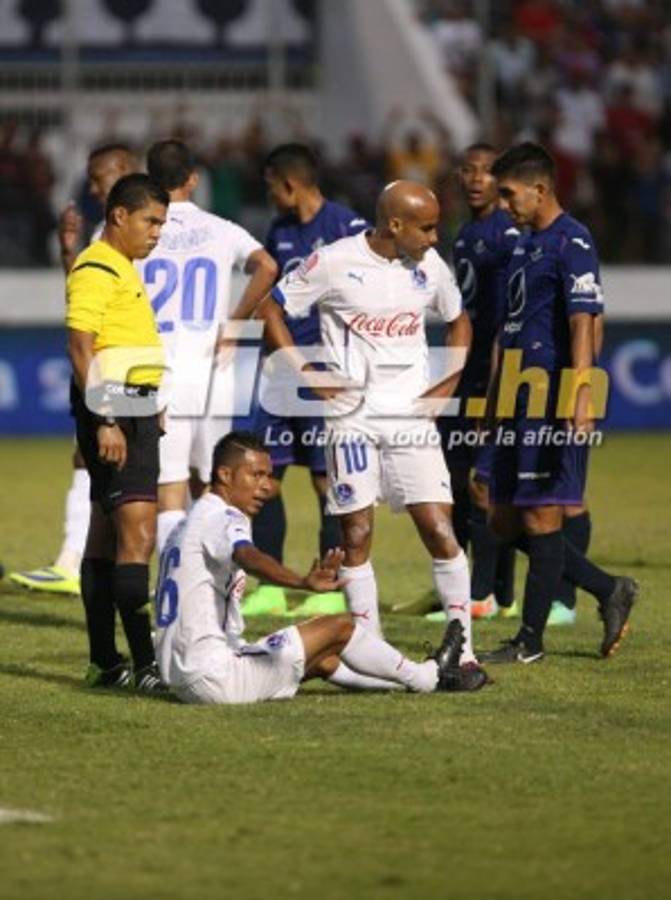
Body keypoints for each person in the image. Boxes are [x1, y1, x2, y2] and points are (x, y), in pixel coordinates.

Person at [257, 180, 488, 690]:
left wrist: (448, 382)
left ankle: (465, 652)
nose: (435, 237)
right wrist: (306, 372)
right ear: (395, 225)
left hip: (411, 420)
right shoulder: (333, 261)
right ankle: (372, 650)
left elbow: (460, 322)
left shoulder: (429, 265)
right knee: (356, 535)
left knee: (439, 528)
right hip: (351, 420)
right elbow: (270, 309)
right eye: (427, 227)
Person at [155, 431, 474, 704]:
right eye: (256, 475)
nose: (267, 486)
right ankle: (430, 676)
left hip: (182, 676)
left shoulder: (189, 520)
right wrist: (302, 583)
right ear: (225, 475)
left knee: (324, 657)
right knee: (338, 627)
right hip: (216, 676)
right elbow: (247, 555)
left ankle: (402, 683)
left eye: (268, 476)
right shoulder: (225, 517)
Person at [480, 143, 638, 664]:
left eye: (509, 194)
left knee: (542, 516)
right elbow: (507, 328)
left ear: (540, 189)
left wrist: (581, 391)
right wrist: (493, 401)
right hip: (514, 394)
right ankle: (608, 588)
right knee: (502, 521)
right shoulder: (523, 246)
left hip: (549, 394)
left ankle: (529, 642)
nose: (504, 204)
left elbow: (584, 321)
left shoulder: (574, 240)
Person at [237, 143, 369, 619]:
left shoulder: (347, 228)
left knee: (325, 481)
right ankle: (270, 587)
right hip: (281, 372)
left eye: (271, 187)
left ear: (289, 184)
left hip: (324, 374)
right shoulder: (280, 229)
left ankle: (330, 586)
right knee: (265, 477)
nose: (270, 196)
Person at [9, 144, 138, 596]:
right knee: (93, 457)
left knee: (151, 472)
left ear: (122, 172)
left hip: (130, 359)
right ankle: (76, 560)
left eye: (98, 179)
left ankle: (84, 563)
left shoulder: (136, 228)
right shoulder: (111, 229)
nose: (92, 188)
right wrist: (70, 253)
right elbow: (86, 293)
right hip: (121, 358)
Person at [140, 138, 278, 556]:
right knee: (214, 483)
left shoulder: (143, 231)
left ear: (150, 178)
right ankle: (219, 578)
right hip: (212, 370)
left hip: (159, 370)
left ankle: (174, 580)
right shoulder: (222, 229)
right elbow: (267, 266)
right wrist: (235, 324)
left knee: (169, 488)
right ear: (193, 179)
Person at [67, 172, 170, 692]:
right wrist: (108, 417)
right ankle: (147, 667)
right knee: (138, 536)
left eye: (162, 224)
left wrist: (149, 403)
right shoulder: (97, 268)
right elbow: (80, 347)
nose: (157, 233)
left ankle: (106, 663)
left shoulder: (120, 266)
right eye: (151, 221)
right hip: (114, 408)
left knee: (106, 536)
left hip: (133, 406)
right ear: (119, 216)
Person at [430, 143, 520, 622]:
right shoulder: (465, 233)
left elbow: (506, 318)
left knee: (484, 483)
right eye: (468, 170)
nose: (475, 179)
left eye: (485, 172)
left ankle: (482, 593)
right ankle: (479, 590)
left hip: (490, 373)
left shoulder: (506, 235)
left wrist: (494, 379)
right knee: (455, 480)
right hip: (465, 373)